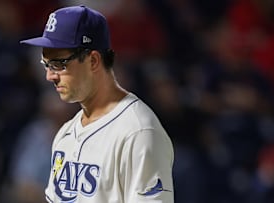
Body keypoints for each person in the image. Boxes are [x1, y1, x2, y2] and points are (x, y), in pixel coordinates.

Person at [20, 5, 174, 203]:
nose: (50, 76)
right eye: (47, 64)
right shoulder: (65, 133)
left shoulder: (139, 132)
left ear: (93, 61)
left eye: (59, 63)